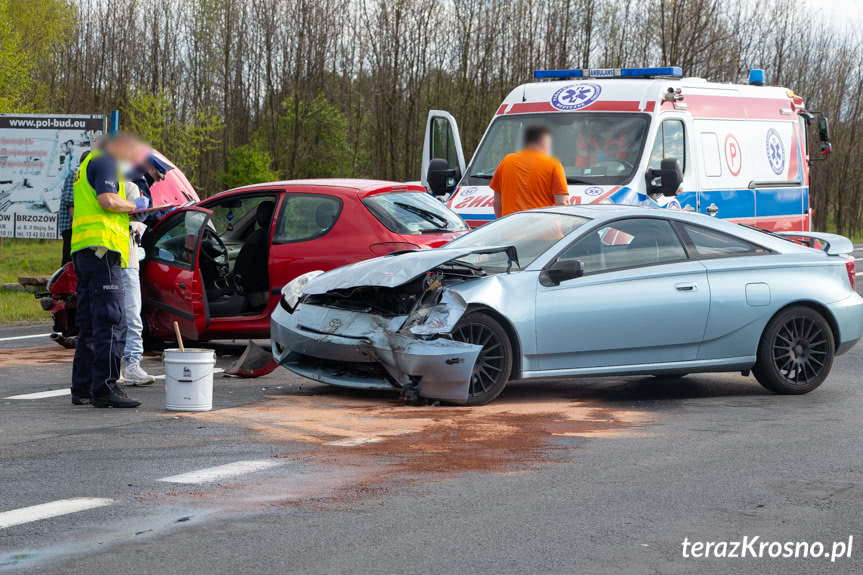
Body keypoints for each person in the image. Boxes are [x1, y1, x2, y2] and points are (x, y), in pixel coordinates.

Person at [69, 132, 149, 408]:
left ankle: (82, 388)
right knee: (112, 321)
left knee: (90, 323)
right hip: (103, 252)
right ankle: (105, 388)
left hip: (85, 250)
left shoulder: (84, 166)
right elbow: (108, 200)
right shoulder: (105, 161)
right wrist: (135, 206)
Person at [490, 125, 569, 218]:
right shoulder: (553, 164)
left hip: (511, 230)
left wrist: (502, 226)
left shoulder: (506, 161)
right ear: (544, 142)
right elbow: (562, 202)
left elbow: (497, 203)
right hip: (544, 230)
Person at [120, 179, 155, 385]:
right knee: (114, 317)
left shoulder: (129, 187)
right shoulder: (99, 189)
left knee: (132, 314)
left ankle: (132, 363)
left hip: (128, 257)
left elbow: (137, 220)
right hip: (111, 259)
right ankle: (113, 366)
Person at [58, 151, 89, 265]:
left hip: (77, 224)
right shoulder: (77, 172)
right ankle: (63, 282)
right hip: (72, 225)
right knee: (69, 260)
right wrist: (79, 224)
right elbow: (70, 202)